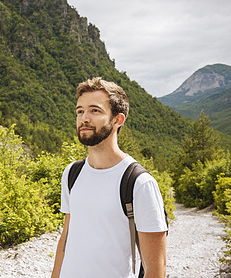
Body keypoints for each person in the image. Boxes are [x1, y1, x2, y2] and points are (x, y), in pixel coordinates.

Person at [51, 77, 168, 278]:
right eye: (80, 111)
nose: (84, 118)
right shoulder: (72, 173)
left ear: (117, 119)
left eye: (95, 110)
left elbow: (156, 268)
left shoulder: (139, 183)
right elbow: (66, 239)